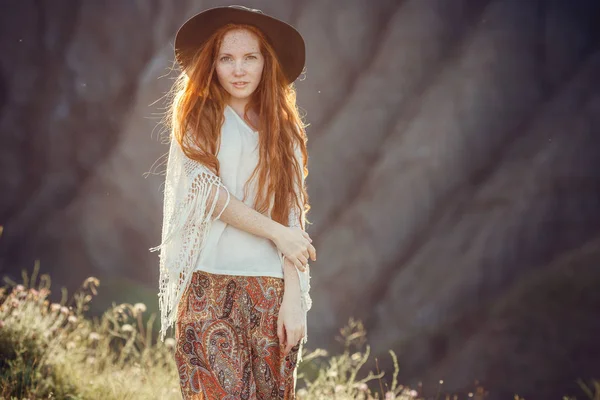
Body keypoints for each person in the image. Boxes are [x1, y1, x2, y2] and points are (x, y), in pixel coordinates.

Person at [150, 5, 316, 399]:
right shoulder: (197, 117)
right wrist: (278, 233)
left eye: (250, 58)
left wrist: (294, 299)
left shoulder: (284, 130)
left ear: (265, 63)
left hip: (270, 289)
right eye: (227, 58)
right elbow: (208, 195)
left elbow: (291, 215)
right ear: (213, 64)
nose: (239, 69)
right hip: (207, 284)